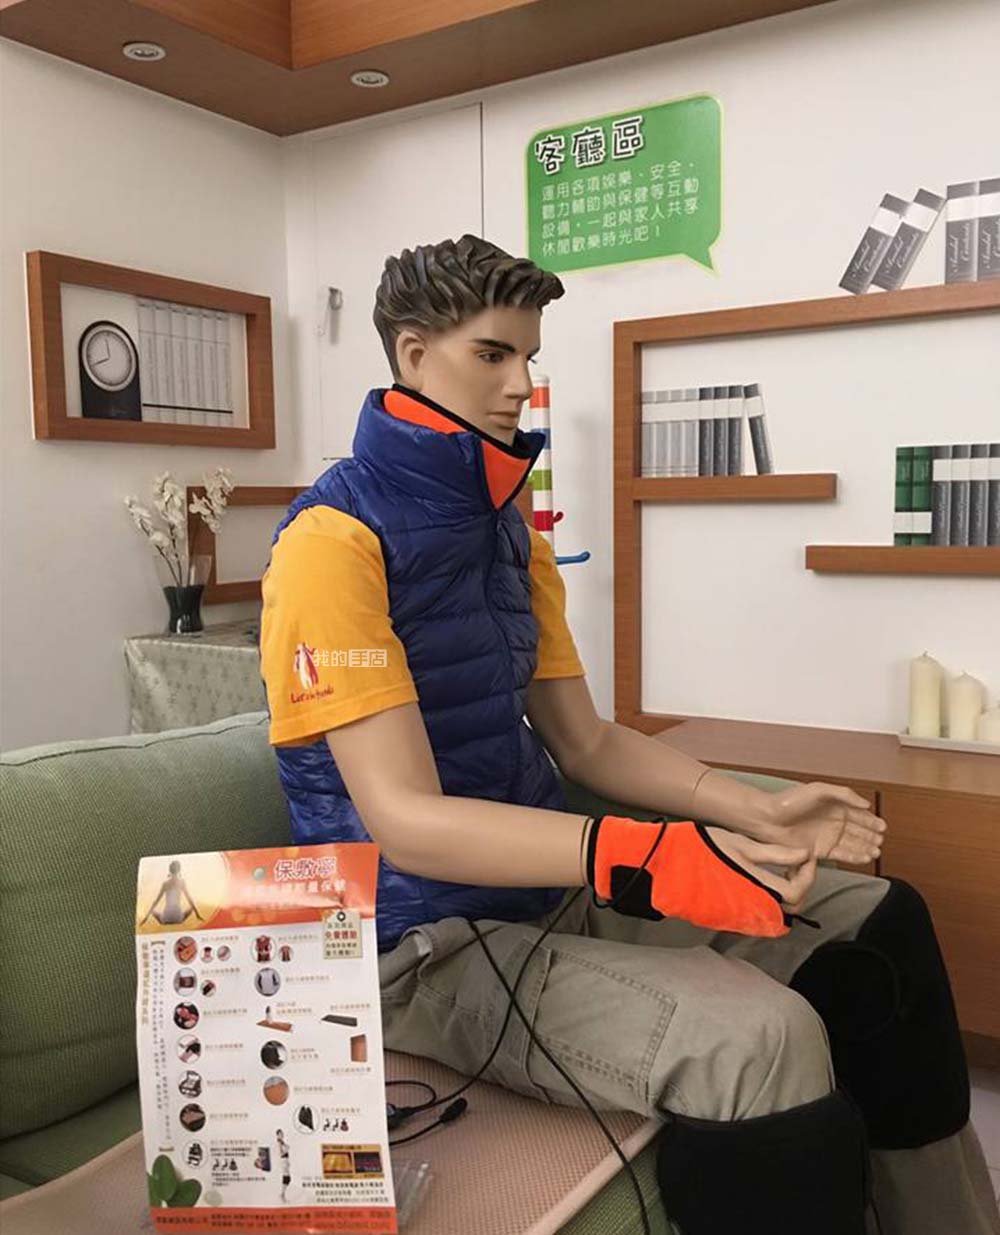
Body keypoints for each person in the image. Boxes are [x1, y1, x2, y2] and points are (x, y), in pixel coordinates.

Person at [259, 234, 999, 1235]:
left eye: (529, 355)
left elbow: (587, 743)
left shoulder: (508, 531)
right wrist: (650, 855)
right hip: (416, 949)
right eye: (492, 354)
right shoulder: (329, 542)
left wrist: (757, 809)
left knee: (877, 921)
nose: (521, 384)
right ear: (413, 354)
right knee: (758, 1036)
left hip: (547, 896)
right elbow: (406, 820)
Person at [140, 859, 204, 926]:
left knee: (153, 910)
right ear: (179, 870)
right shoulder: (182, 882)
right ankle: (178, 918)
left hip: (166, 918)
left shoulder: (165, 884)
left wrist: (146, 918)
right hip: (178, 918)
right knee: (191, 908)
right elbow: (189, 899)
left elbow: (156, 901)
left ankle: (163, 919)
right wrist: (197, 915)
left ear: (170, 870)